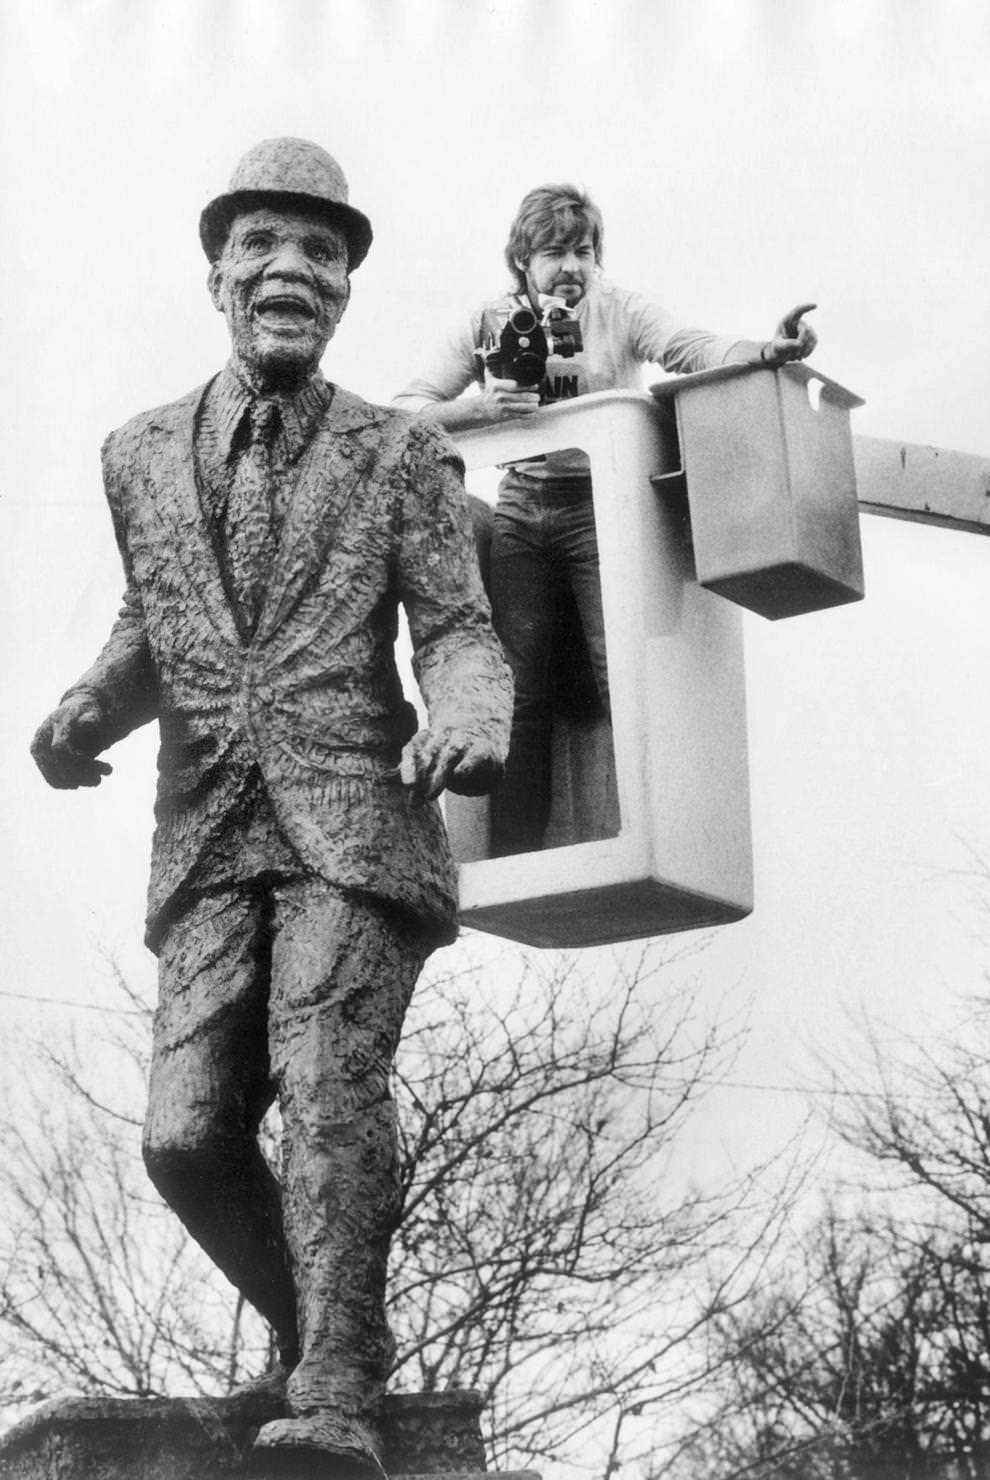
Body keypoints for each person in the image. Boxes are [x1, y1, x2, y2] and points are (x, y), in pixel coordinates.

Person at [30, 137, 512, 1480]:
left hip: (355, 821)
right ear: (218, 274)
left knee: (325, 1089)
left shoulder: (401, 454)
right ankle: (312, 1339)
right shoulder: (136, 456)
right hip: (208, 828)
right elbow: (156, 618)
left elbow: (459, 631)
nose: (292, 271)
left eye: (322, 253)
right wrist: (87, 706)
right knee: (185, 1137)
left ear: (349, 288)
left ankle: (341, 1399)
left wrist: (471, 723)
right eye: (265, 247)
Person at [393, 183, 817, 856]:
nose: (571, 267)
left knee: (622, 669)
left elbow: (688, 346)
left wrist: (766, 351)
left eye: (583, 251)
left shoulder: (619, 310)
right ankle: (514, 857)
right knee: (518, 689)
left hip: (605, 509)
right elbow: (408, 409)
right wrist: (484, 407)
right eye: (554, 252)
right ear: (522, 261)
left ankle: (650, 841)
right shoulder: (490, 320)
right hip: (522, 509)